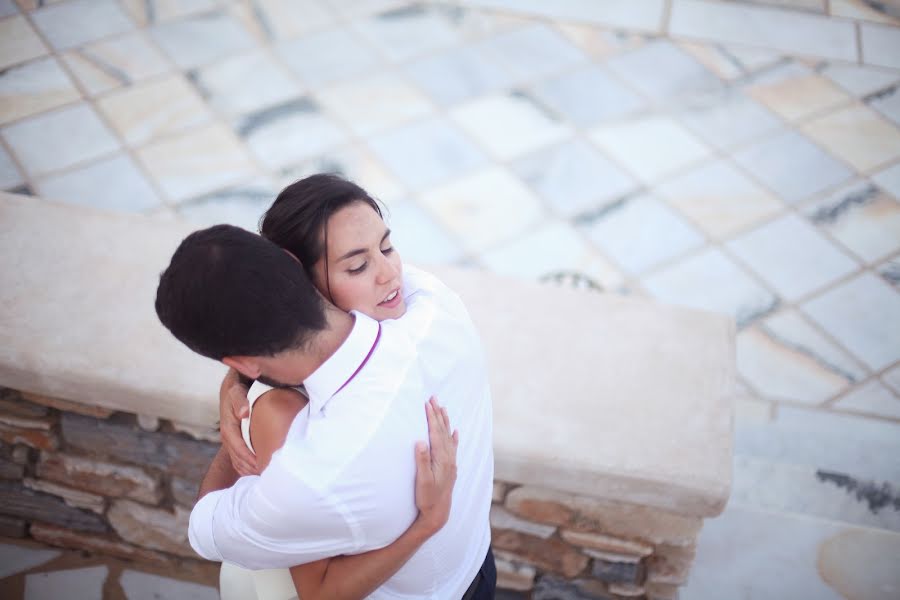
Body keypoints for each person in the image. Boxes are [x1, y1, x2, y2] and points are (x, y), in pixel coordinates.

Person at [155, 175, 496, 599]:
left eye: (386, 247)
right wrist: (238, 381)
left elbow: (205, 525)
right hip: (477, 565)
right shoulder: (435, 304)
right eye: (358, 265)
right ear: (294, 270)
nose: (390, 273)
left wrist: (241, 417)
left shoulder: (309, 473)